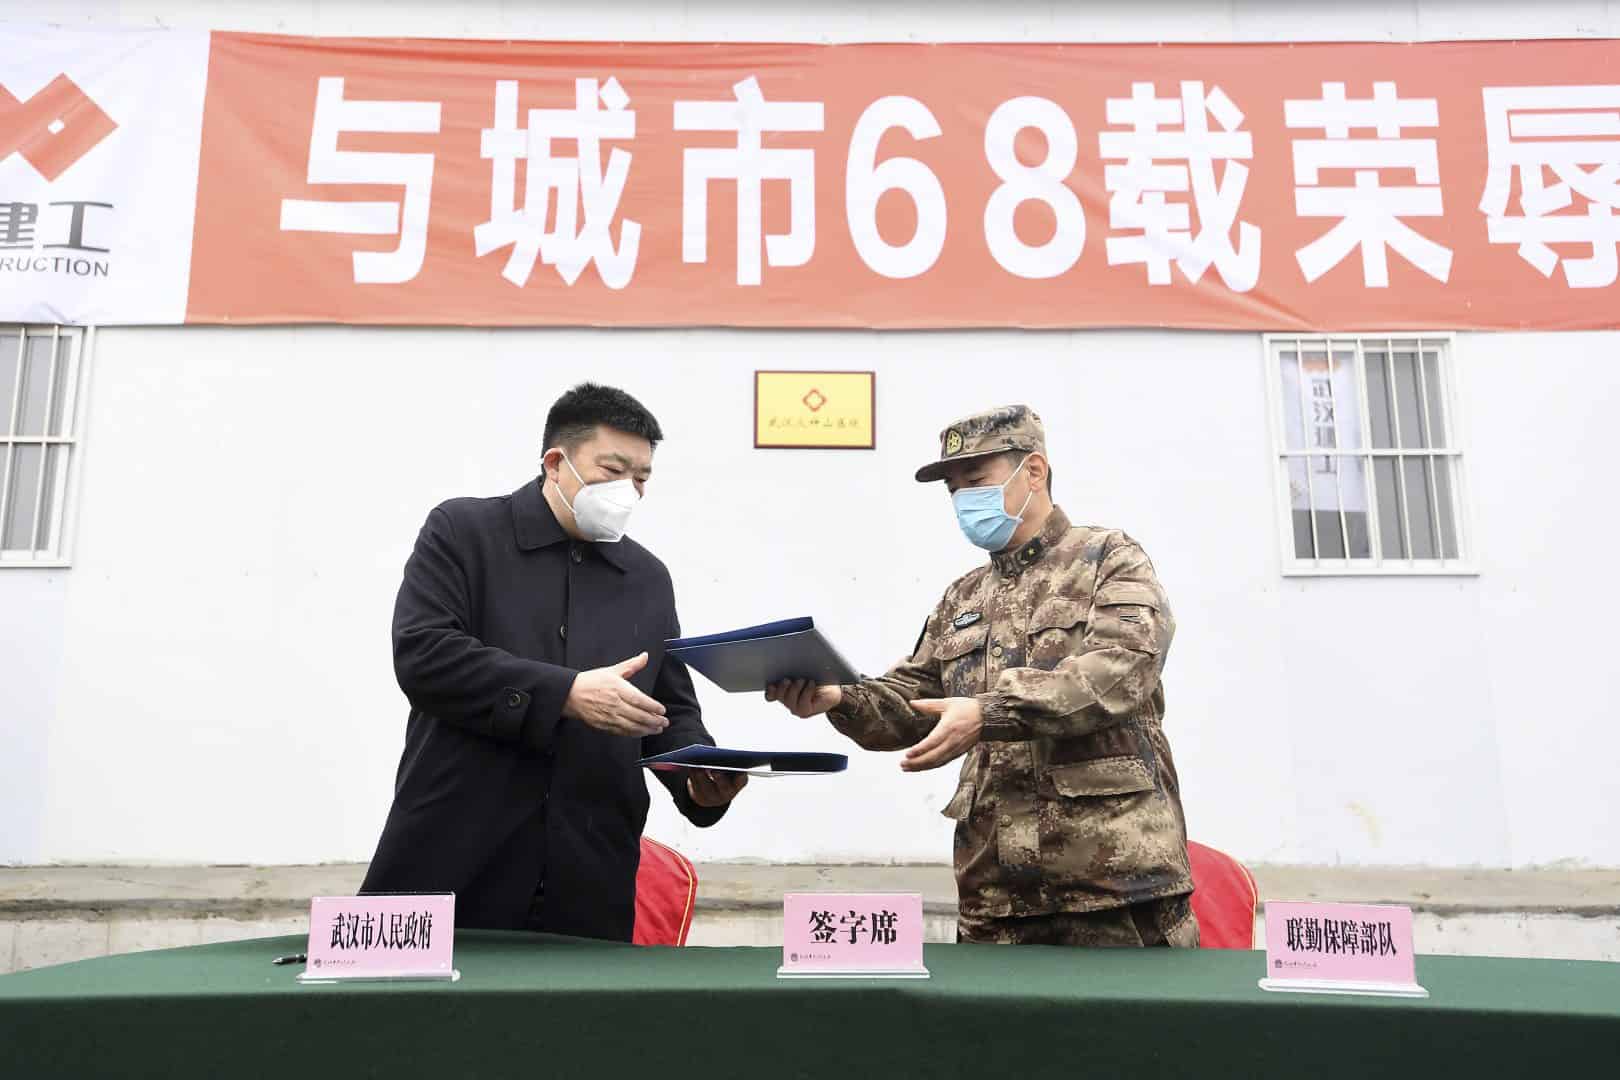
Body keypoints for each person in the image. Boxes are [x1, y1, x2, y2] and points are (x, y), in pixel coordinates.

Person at [768, 405, 1196, 947]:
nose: (963, 499)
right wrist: (838, 698)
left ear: (1034, 471)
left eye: (976, 480)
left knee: (1132, 1032)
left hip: (1114, 889)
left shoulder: (1108, 558)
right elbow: (911, 701)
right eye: (953, 488)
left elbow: (1119, 671)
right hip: (997, 897)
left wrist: (989, 711)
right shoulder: (963, 596)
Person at [361, 383, 746, 941]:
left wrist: (698, 778)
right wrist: (565, 694)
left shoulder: (646, 578)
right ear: (555, 463)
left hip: (589, 877)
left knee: (579, 1028)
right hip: (453, 857)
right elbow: (425, 654)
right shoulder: (464, 533)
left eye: (641, 478)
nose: (629, 491)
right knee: (422, 1025)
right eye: (613, 470)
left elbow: (666, 708)